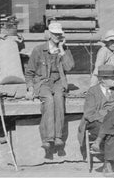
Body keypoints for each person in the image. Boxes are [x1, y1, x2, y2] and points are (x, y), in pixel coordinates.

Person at [25, 22, 75, 150]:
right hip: (43, 82)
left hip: (58, 82)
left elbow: (69, 67)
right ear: (49, 34)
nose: (57, 36)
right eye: (54, 34)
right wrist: (30, 88)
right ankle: (47, 138)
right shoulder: (39, 50)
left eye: (59, 34)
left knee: (59, 99)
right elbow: (29, 72)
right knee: (49, 101)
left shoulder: (64, 50)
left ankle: (58, 137)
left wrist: (62, 50)